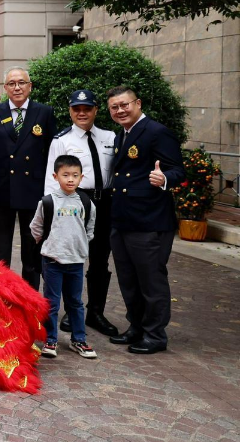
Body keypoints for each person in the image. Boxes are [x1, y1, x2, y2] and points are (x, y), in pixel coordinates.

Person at [105, 86, 184, 355]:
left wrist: (165, 180)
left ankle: (155, 334)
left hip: (149, 221)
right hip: (123, 220)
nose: (120, 110)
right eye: (114, 107)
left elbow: (178, 170)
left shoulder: (156, 132)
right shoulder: (121, 135)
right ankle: (136, 327)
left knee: (151, 281)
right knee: (128, 280)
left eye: (124, 105)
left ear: (137, 103)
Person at [44, 90, 118, 337]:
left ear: (96, 109)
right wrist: (53, 212)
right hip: (76, 202)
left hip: (105, 201)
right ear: (70, 111)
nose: (82, 113)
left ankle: (96, 312)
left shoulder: (110, 137)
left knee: (100, 258)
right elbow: (52, 181)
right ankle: (71, 311)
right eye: (77, 109)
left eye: (87, 108)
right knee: (71, 258)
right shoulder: (62, 140)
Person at [0, 67, 56, 290]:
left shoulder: (44, 112)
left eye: (21, 83)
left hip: (33, 191)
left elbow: (51, 152)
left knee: (32, 249)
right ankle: (0, 295)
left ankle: (30, 298)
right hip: (3, 189)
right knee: (0, 250)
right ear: (5, 88)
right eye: (12, 83)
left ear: (30, 86)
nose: (17, 87)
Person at [30, 154, 98, 360]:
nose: (70, 179)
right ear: (55, 176)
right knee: (51, 301)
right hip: (53, 261)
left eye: (75, 175)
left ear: (81, 177)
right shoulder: (48, 202)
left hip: (76, 262)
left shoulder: (86, 202)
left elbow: (90, 228)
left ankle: (79, 339)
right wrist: (51, 245)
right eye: (65, 175)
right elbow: (36, 228)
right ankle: (50, 339)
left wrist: (78, 246)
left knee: (75, 302)